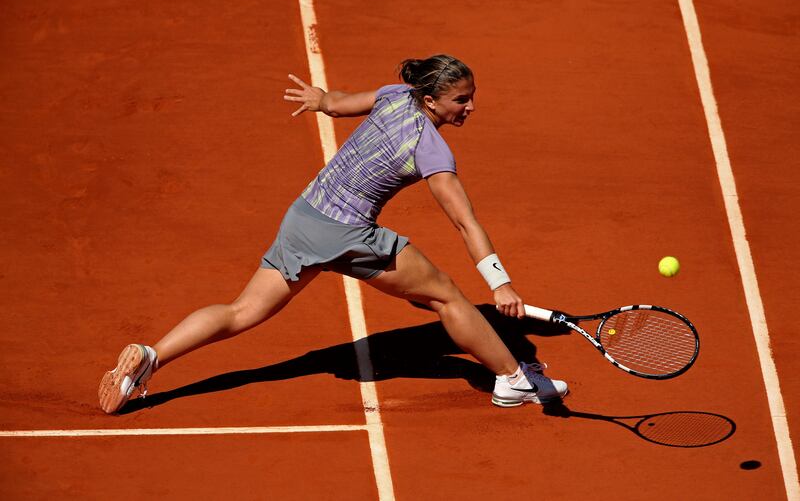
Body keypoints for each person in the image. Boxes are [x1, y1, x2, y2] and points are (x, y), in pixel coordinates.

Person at [98, 54, 568, 414]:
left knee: (241, 311)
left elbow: (337, 104)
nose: (471, 106)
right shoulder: (431, 148)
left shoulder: (394, 94)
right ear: (431, 100)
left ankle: (151, 355)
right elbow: (465, 222)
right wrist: (499, 282)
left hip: (304, 217)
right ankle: (512, 379)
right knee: (446, 295)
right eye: (461, 99)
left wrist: (318, 98)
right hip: (348, 235)